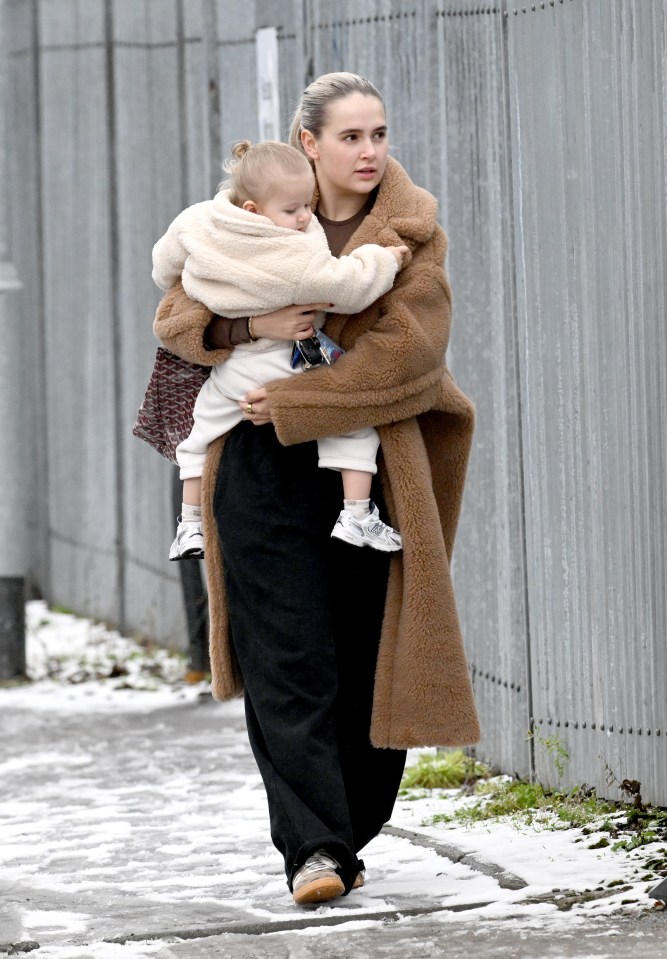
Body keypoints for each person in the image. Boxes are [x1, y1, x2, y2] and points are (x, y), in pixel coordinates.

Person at [153, 72, 480, 906]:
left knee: (371, 650)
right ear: (309, 143)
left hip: (366, 466)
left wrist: (298, 398)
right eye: (350, 137)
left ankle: (352, 828)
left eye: (378, 133)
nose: (369, 151)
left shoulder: (411, 233)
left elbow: (409, 352)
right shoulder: (242, 217)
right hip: (256, 464)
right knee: (283, 655)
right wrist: (246, 329)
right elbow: (175, 320)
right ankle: (313, 847)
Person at [151, 139, 407, 562]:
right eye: (293, 210)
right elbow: (348, 288)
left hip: (231, 372)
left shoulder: (197, 221)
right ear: (254, 211)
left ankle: (189, 525)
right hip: (283, 361)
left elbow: (163, 265)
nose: (305, 217)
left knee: (196, 437)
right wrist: (385, 259)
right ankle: (357, 514)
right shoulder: (292, 254)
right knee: (354, 427)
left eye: (307, 205)